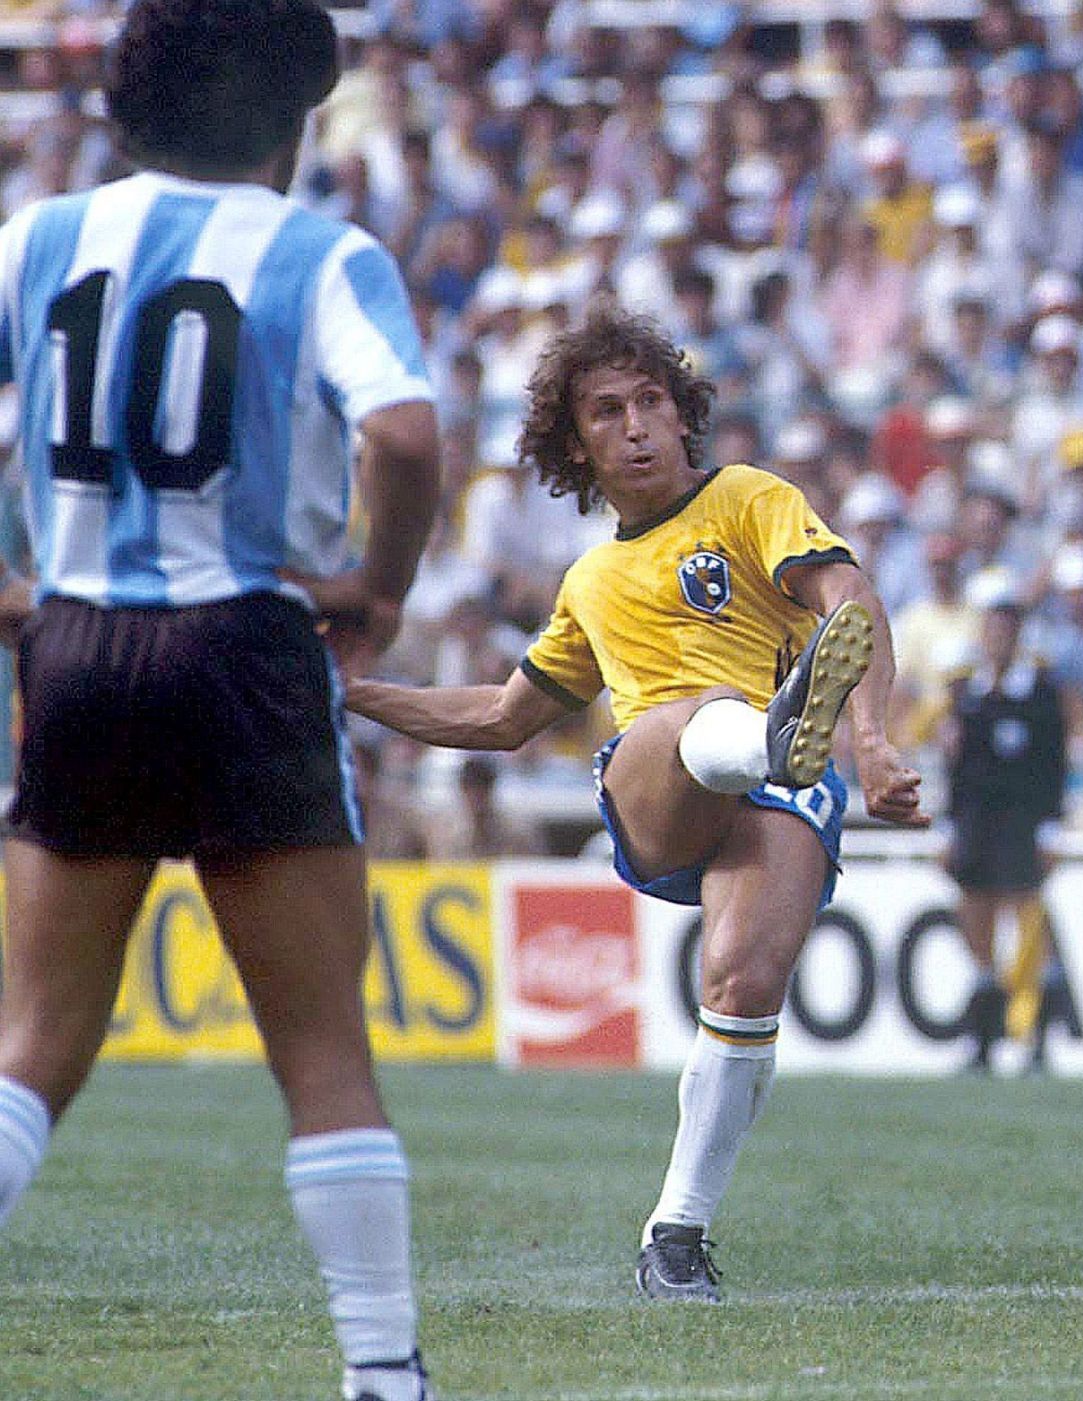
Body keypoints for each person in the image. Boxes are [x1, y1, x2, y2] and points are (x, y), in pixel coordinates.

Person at [0, 5, 443, 1400]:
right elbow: (407, 432)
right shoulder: (320, 253)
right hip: (247, 648)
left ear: (127, 110)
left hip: (75, 653)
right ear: (293, 122)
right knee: (321, 1054)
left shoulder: (34, 241)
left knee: (29, 1052)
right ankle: (384, 1373)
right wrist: (377, 584)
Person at [345, 305, 928, 1302]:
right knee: (699, 712)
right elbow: (499, 714)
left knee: (743, 984)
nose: (637, 425)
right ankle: (768, 737)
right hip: (663, 783)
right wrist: (346, 691)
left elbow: (849, 596)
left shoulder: (747, 498)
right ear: (575, 444)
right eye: (607, 411)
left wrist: (870, 739)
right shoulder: (592, 580)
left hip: (783, 793)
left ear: (683, 411)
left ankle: (676, 1238)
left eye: (651, 400)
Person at [943, 585, 1071, 1074]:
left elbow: (1052, 766)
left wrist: (1050, 827)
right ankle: (982, 1037)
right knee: (976, 923)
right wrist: (949, 827)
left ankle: (1035, 1034)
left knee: (1029, 927)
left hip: (1022, 822)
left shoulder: (1038, 695)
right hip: (977, 824)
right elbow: (958, 771)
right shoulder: (970, 696)